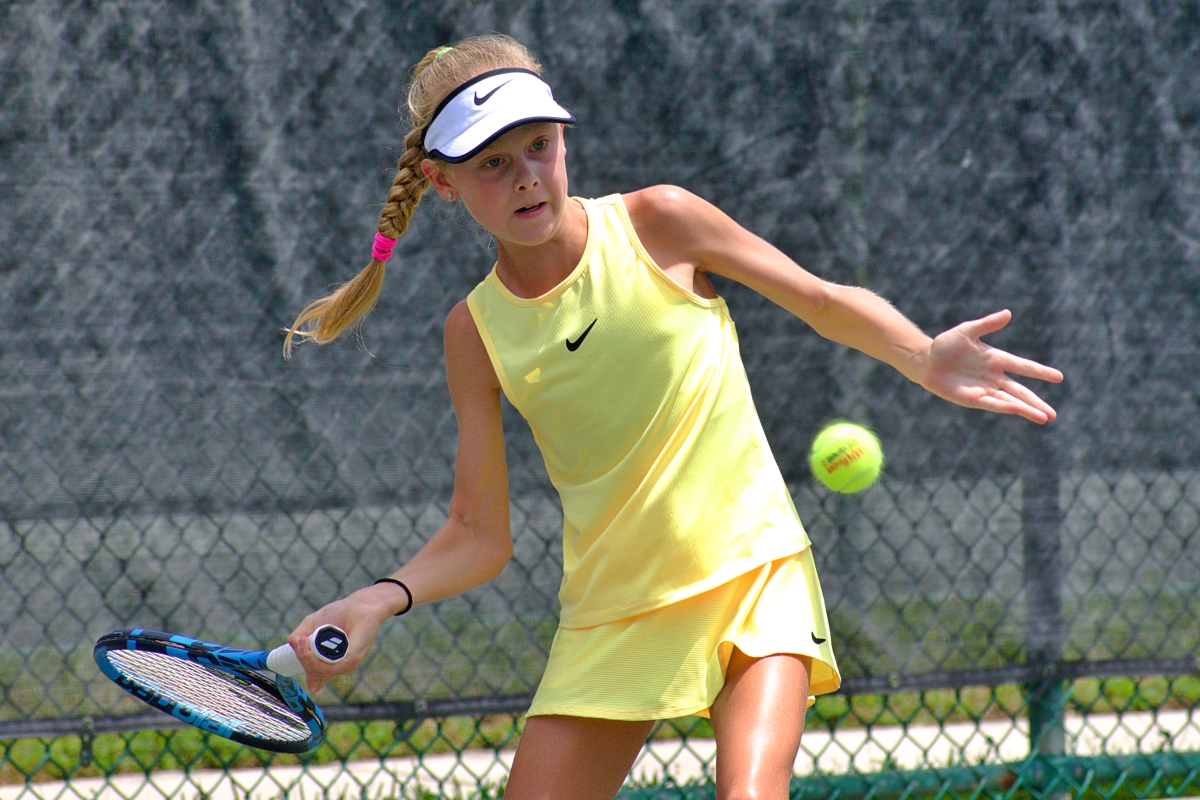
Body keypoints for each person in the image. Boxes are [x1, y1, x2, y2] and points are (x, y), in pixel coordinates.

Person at [283, 34, 1063, 800]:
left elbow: (820, 301)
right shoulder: (475, 332)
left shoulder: (660, 222)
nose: (527, 178)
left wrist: (923, 355)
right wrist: (377, 597)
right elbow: (477, 531)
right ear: (442, 183)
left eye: (540, 147)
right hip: (612, 611)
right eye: (493, 163)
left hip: (752, 570)